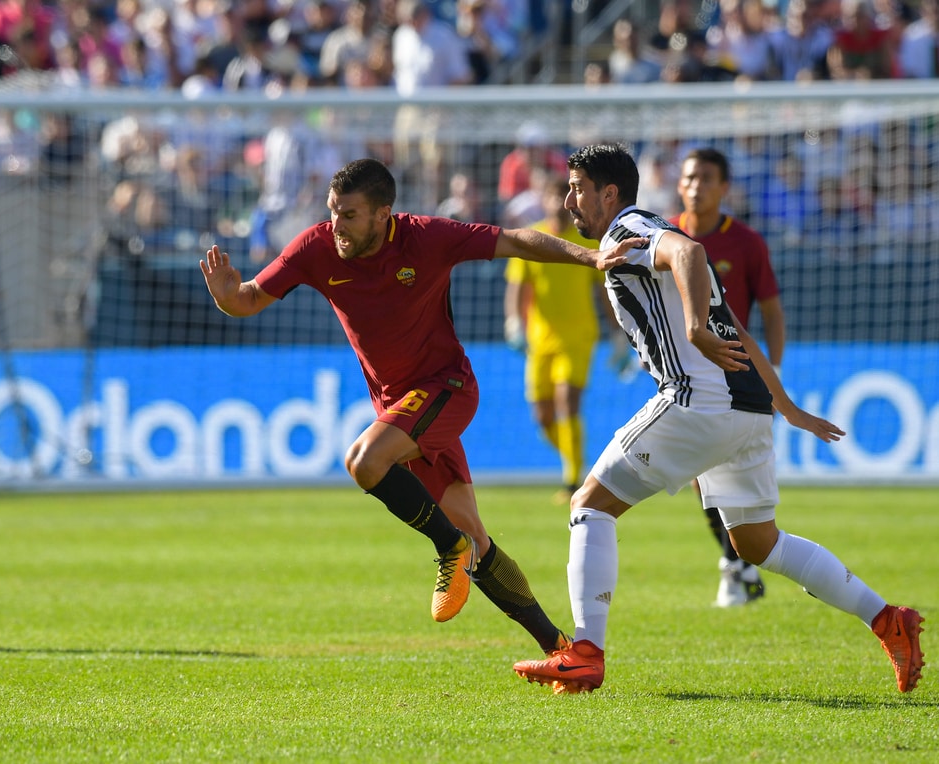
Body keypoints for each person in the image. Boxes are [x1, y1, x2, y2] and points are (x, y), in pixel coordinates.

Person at [512, 143, 925, 695]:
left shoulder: (627, 229)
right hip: (746, 407)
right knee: (758, 543)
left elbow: (690, 253)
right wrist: (784, 405)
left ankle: (585, 653)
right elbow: (736, 325)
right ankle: (887, 619)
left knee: (590, 504)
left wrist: (694, 329)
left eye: (577, 189)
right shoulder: (650, 225)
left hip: (697, 400)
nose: (569, 202)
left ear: (609, 194)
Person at [200, 157, 642, 657]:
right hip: (400, 407)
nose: (336, 225)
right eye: (332, 211)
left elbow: (518, 240)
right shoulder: (316, 247)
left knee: (364, 461)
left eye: (349, 215)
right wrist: (227, 297)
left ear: (382, 214)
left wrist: (590, 257)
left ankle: (447, 547)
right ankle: (560, 648)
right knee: (477, 538)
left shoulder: (427, 238)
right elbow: (248, 299)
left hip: (446, 388)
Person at [671, 147, 785, 608]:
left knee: (729, 480)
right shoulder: (665, 236)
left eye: (706, 178)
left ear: (724, 187)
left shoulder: (746, 242)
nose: (695, 186)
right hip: (682, 376)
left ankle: (736, 565)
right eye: (689, 177)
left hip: (737, 376)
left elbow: (772, 311)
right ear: (679, 184)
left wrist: (774, 373)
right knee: (700, 478)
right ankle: (736, 566)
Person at [503, 175, 617, 502]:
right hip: (540, 339)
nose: (559, 202)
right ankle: (577, 462)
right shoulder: (532, 237)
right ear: (544, 200)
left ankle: (572, 481)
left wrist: (618, 333)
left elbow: (604, 292)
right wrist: (514, 322)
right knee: (543, 416)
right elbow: (517, 287)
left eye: (565, 195)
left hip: (578, 336)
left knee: (568, 401)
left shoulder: (587, 241)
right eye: (554, 195)